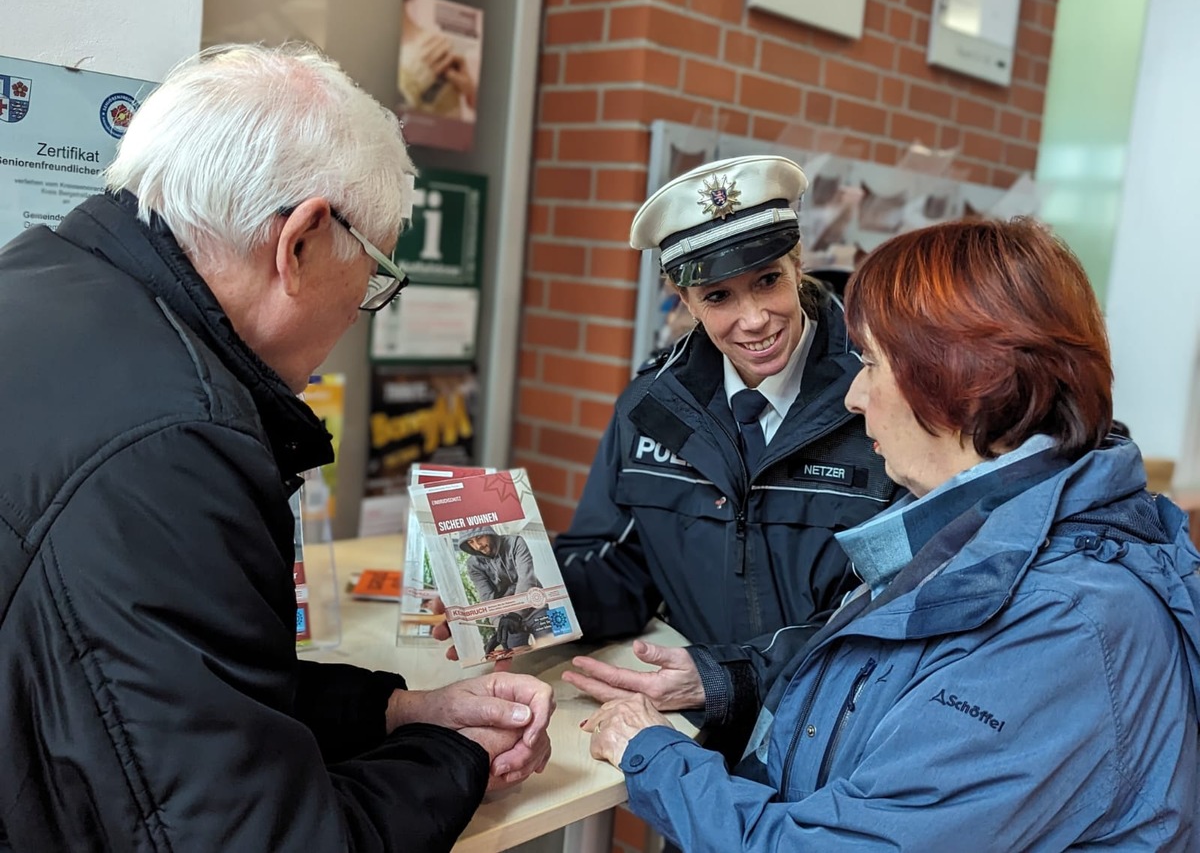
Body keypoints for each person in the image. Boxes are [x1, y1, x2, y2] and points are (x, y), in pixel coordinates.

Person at [0, 43, 553, 853]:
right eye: (372, 279)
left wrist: (391, 712)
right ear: (300, 242)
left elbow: (159, 688)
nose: (362, 313)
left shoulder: (34, 279)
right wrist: (456, 754)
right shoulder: (175, 437)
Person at [573, 218, 1200, 850]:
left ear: (960, 378)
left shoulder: (1059, 624)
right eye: (719, 297)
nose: (853, 395)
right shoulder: (966, 538)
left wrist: (653, 754)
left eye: (871, 361)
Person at [553, 155, 896, 708]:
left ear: (797, 266)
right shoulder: (651, 408)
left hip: (829, 730)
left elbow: (888, 608)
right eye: (718, 296)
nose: (755, 318)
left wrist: (727, 677)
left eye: (767, 281)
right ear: (684, 299)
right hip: (691, 729)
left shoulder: (883, 397)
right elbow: (619, 568)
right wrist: (514, 601)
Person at [458, 527, 554, 655]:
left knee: (553, 648)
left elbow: (527, 579)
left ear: (488, 533)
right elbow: (487, 597)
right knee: (517, 658)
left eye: (479, 538)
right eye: (471, 542)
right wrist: (500, 627)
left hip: (536, 607)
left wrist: (515, 614)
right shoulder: (473, 565)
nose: (478, 546)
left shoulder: (516, 542)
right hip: (506, 617)